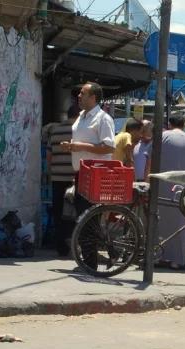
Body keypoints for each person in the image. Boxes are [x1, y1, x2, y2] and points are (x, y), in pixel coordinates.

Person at [61, 82, 115, 269]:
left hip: (96, 175)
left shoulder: (103, 118)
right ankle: (87, 259)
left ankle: (90, 262)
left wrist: (78, 147)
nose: (79, 96)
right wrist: (72, 146)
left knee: (88, 219)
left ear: (93, 97)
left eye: (83, 93)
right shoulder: (81, 117)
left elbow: (109, 147)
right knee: (82, 218)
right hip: (80, 173)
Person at [158, 112, 185, 271]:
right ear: (184, 125)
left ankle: (159, 256)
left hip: (160, 186)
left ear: (169, 124)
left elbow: (149, 159)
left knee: (158, 221)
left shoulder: (162, 137)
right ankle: (179, 260)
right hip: (183, 191)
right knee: (181, 224)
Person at [45, 105, 79, 256]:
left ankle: (61, 247)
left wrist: (51, 172)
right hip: (74, 179)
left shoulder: (55, 130)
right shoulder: (79, 132)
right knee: (75, 213)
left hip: (57, 178)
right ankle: (73, 244)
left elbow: (49, 156)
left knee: (59, 213)